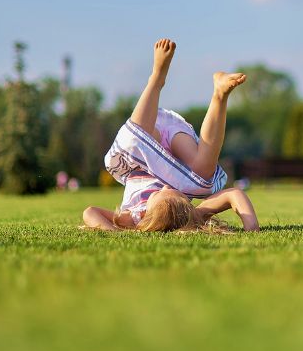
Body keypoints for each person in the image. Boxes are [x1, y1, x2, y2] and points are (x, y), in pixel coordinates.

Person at [82, 39, 259, 233]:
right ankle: (220, 95)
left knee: (135, 141)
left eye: (162, 193)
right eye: (177, 193)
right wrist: (252, 228)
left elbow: (90, 212)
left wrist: (114, 231)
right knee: (203, 172)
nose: (166, 187)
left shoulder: (132, 219)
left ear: (148, 214)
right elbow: (234, 194)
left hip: (144, 149)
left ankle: (157, 78)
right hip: (177, 156)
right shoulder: (190, 215)